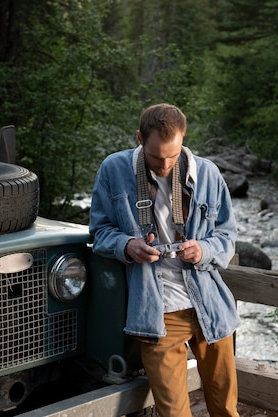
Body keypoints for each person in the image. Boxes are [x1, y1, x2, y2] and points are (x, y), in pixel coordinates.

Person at [89, 103, 240, 417]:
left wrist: (205, 250)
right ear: (140, 139)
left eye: (174, 155)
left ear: (184, 138)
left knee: (226, 409)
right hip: (157, 312)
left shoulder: (208, 173)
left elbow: (226, 236)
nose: (166, 164)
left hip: (210, 305)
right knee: (173, 413)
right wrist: (128, 245)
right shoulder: (114, 170)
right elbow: (99, 233)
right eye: (157, 157)